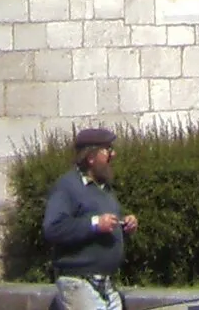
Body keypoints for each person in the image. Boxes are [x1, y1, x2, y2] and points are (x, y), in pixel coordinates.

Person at [42, 124, 137, 310]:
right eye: (108, 150)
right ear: (91, 157)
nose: (113, 155)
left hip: (107, 284)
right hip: (79, 284)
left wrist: (124, 226)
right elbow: (52, 228)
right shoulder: (67, 187)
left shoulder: (104, 189)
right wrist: (94, 224)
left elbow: (102, 231)